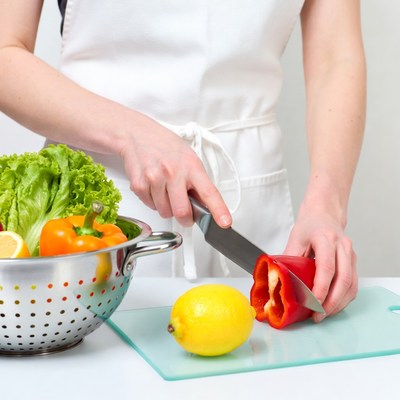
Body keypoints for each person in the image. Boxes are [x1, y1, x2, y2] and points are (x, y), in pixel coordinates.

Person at [0, 0, 366, 322]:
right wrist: (131, 134)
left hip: (250, 204)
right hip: (100, 212)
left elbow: (337, 57)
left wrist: (327, 206)